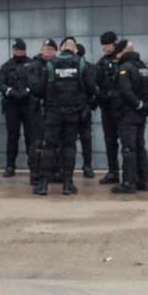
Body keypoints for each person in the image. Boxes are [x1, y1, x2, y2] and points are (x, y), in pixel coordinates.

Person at [31, 37, 96, 196]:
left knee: (50, 146)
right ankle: (68, 184)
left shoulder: (51, 64)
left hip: (53, 113)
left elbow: (39, 90)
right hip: (73, 113)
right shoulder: (80, 63)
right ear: (74, 49)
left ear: (61, 49)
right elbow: (91, 88)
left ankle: (44, 185)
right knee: (69, 147)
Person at [110, 41, 148, 194]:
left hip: (128, 114)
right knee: (140, 147)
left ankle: (129, 183)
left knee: (129, 148)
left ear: (122, 52)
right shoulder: (143, 68)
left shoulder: (125, 68)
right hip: (140, 115)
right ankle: (144, 181)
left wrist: (138, 105)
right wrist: (147, 104)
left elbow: (125, 91)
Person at [0, 38, 33, 177]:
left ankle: (33, 166)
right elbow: (0, 83)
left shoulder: (31, 63)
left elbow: (35, 81)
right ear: (13, 50)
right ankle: (10, 166)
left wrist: (28, 91)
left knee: (31, 136)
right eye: (16, 49)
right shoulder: (7, 66)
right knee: (12, 136)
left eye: (20, 49)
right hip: (12, 105)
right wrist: (10, 91)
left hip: (28, 104)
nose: (18, 51)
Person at [26, 39, 57, 185]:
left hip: (55, 110)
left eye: (51, 49)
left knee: (53, 143)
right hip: (37, 110)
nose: (49, 52)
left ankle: (52, 172)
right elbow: (36, 88)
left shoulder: (57, 65)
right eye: (46, 49)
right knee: (37, 143)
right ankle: (36, 173)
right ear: (42, 50)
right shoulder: (34, 66)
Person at [95, 31, 121, 184]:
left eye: (108, 44)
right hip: (107, 109)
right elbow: (96, 84)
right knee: (110, 141)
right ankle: (113, 172)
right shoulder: (101, 63)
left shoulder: (123, 61)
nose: (106, 48)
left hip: (122, 109)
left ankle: (133, 175)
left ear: (115, 43)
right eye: (103, 45)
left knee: (128, 144)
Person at [75, 43, 97, 178]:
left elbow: (93, 89)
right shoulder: (62, 66)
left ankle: (87, 165)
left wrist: (89, 105)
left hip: (83, 107)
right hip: (69, 108)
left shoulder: (89, 67)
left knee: (86, 138)